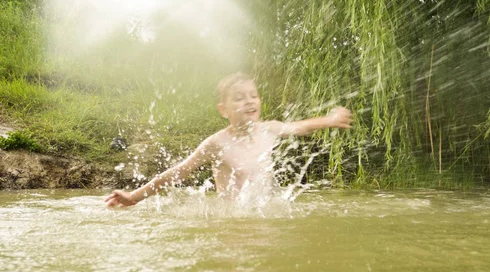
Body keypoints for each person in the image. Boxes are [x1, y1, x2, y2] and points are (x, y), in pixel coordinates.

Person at [104, 73, 352, 207]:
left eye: (253, 96)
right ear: (223, 110)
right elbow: (178, 172)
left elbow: (301, 127)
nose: (249, 101)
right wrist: (133, 197)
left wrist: (330, 120)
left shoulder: (268, 129)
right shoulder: (217, 143)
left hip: (263, 212)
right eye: (239, 98)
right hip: (233, 219)